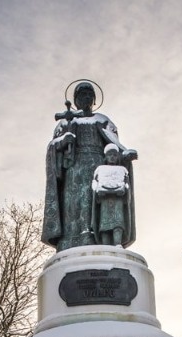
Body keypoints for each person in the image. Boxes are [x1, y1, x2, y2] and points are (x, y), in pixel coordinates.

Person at [43, 82, 137, 251]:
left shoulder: (102, 120)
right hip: (74, 168)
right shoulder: (67, 122)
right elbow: (53, 146)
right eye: (81, 95)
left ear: (94, 100)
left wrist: (124, 155)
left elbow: (114, 146)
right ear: (75, 100)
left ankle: (100, 236)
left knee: (96, 202)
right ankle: (71, 238)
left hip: (99, 168)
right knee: (75, 202)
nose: (85, 98)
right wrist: (63, 141)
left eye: (89, 95)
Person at [91, 144, 131, 246]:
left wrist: (124, 191)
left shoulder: (122, 170)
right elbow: (95, 185)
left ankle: (117, 244)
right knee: (105, 225)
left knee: (118, 223)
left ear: (117, 157)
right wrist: (98, 191)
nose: (112, 157)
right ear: (106, 157)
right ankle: (105, 245)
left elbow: (126, 185)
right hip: (104, 202)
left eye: (114, 155)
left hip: (118, 201)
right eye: (110, 155)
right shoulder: (100, 169)